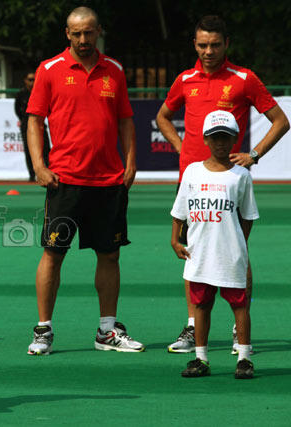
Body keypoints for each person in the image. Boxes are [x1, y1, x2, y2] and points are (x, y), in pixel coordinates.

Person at [156, 15, 289, 354]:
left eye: (215, 45)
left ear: (226, 44)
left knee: (238, 250)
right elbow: (162, 116)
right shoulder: (185, 79)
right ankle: (192, 326)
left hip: (230, 180)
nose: (208, 51)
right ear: (194, 45)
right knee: (191, 251)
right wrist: (180, 147)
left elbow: (280, 121)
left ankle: (237, 326)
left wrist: (254, 154)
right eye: (202, 45)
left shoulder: (244, 78)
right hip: (194, 180)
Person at [25, 6, 143, 355]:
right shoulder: (49, 70)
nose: (82, 39)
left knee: (109, 256)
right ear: (67, 33)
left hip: (108, 182)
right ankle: (43, 331)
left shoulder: (115, 71)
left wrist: (131, 162)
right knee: (53, 254)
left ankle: (107, 331)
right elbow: (34, 121)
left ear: (98, 31)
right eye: (76, 33)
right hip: (65, 180)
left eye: (88, 32)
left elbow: (125, 120)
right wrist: (39, 166)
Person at [171, 110, 258, 379]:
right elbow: (180, 212)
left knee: (239, 305)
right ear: (206, 140)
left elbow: (247, 216)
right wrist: (175, 239)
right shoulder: (193, 172)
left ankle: (244, 357)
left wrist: (237, 243)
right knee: (201, 306)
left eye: (225, 137)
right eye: (215, 137)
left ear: (234, 140)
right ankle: (201, 358)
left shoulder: (241, 175)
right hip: (199, 253)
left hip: (230, 254)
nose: (220, 142)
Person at [14, 70, 50, 181]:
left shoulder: (40, 91)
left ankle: (50, 172)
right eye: (30, 79)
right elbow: (17, 109)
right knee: (29, 150)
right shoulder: (21, 94)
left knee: (46, 149)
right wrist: (25, 121)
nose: (32, 82)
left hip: (40, 124)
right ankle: (32, 175)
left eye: (34, 79)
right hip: (26, 125)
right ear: (25, 81)